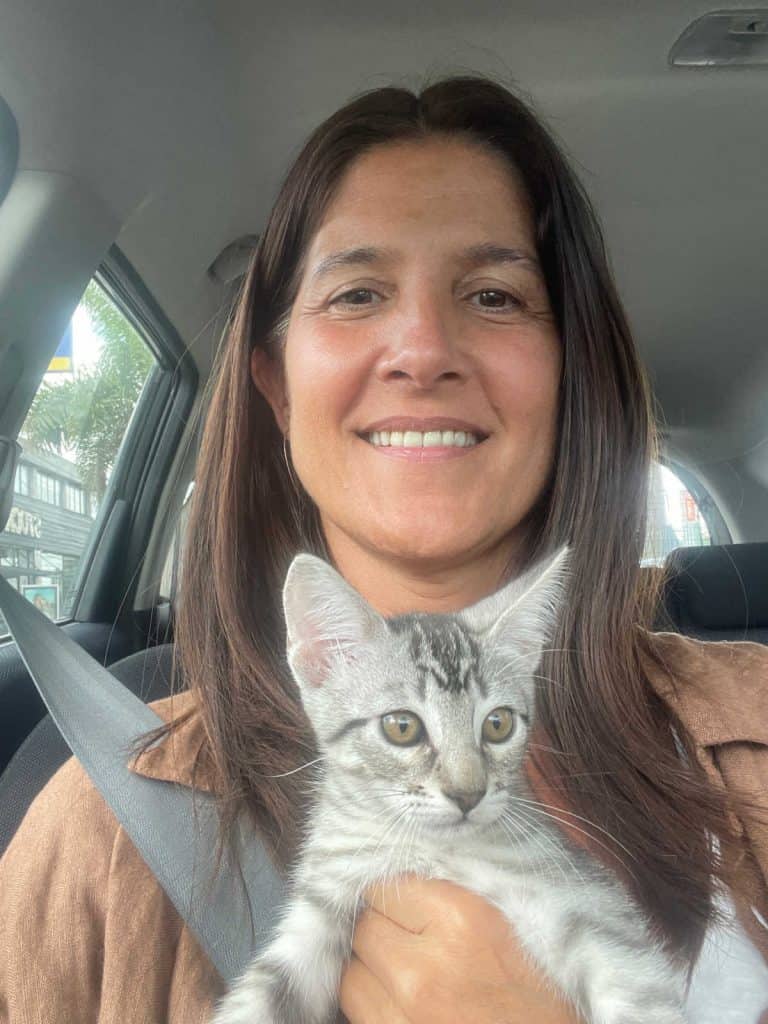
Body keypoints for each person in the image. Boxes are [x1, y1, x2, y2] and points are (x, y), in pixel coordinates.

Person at [2, 74, 768, 1024]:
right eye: (358, 293)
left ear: (570, 378)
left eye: (493, 295)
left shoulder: (757, 734)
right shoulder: (100, 830)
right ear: (278, 387)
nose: (422, 347)